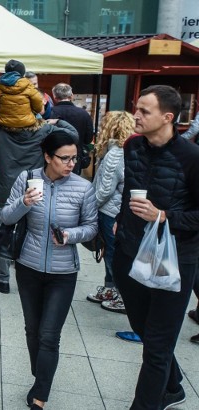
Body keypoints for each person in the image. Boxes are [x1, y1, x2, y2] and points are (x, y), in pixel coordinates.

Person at [112, 85, 199, 410]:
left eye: (144, 111)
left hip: (174, 258)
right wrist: (121, 223)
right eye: (137, 108)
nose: (136, 114)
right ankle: (173, 386)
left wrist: (164, 216)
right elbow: (129, 190)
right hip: (130, 250)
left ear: (168, 117)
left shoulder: (191, 158)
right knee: (142, 327)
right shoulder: (132, 145)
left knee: (157, 347)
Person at [1, 131, 97, 409]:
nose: (71, 164)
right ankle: (40, 376)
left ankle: (40, 397)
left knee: (49, 334)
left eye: (74, 158)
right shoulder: (26, 179)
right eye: (64, 158)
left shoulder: (82, 187)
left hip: (63, 272)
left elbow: (91, 227)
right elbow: (6, 216)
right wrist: (24, 202)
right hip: (28, 267)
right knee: (32, 330)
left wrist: (69, 235)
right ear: (47, 157)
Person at [0, 117, 78, 294]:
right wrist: (58, 121)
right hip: (34, 187)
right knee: (34, 231)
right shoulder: (44, 129)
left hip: (5, 187)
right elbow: (72, 135)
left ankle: (3, 279)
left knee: (5, 233)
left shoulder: (0, 128)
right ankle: (31, 277)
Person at [86, 111, 135, 314]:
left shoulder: (115, 153)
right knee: (112, 253)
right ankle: (110, 289)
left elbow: (105, 190)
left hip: (110, 211)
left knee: (112, 254)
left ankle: (120, 294)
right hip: (117, 210)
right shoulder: (127, 150)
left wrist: (89, 207)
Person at [50, 83, 94, 174]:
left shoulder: (50, 113)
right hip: (75, 158)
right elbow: (88, 139)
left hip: (53, 158)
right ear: (71, 96)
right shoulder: (83, 114)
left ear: (54, 97)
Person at [0, 60, 44, 129]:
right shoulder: (29, 85)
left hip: (5, 125)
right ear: (22, 73)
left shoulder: (0, 87)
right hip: (26, 124)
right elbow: (38, 107)